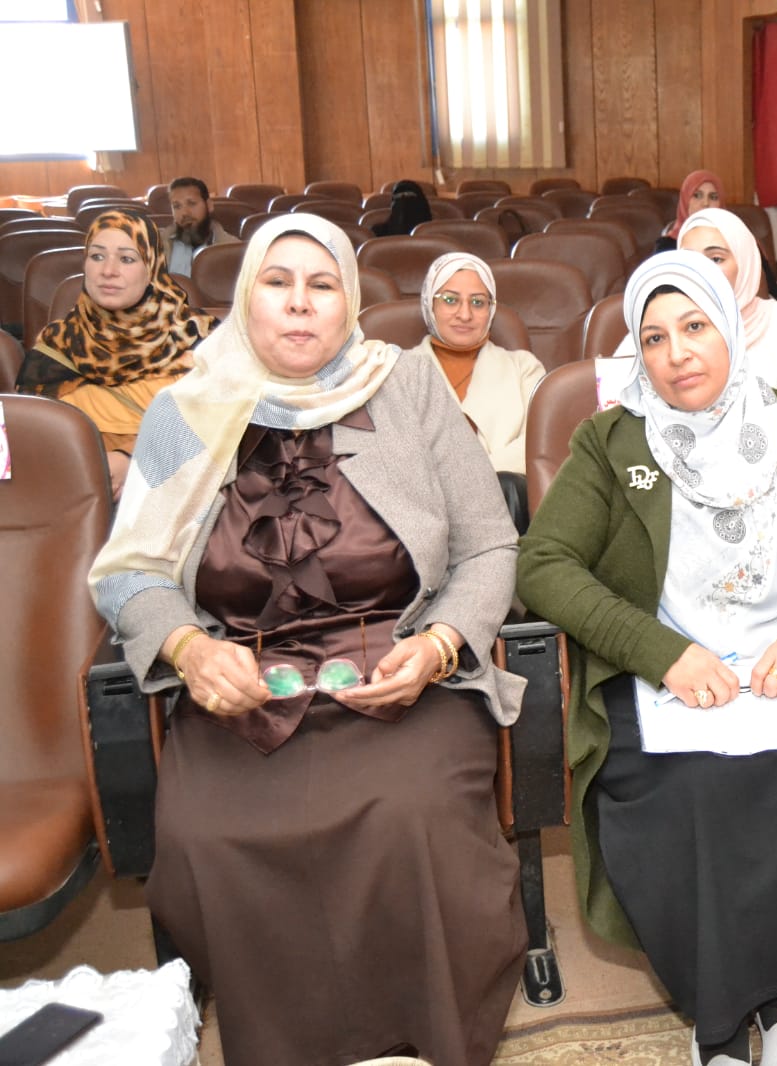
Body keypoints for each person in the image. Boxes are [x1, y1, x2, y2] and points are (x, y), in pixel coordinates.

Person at [87, 213, 527, 1066]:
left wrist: (441, 644)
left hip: (401, 673)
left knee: (416, 821)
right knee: (208, 839)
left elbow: (489, 546)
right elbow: (128, 571)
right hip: (240, 685)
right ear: (244, 298)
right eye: (277, 282)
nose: (299, 303)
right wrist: (187, 649)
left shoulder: (407, 386)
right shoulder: (183, 411)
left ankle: (426, 1042)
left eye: (322, 285)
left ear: (349, 302)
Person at [518, 252, 777, 1066]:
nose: (676, 353)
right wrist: (661, 653)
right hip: (667, 678)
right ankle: (721, 1021)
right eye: (653, 337)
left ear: (729, 329)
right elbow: (544, 564)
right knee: (695, 788)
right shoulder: (611, 440)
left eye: (694, 326)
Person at [15, 208, 216, 498]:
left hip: (177, 497)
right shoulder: (57, 344)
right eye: (97, 256)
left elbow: (228, 428)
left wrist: (132, 459)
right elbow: (27, 439)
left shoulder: (200, 339)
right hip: (71, 497)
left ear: (151, 267)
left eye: (126, 259)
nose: (108, 271)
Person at [613, 207, 777, 399]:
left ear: (744, 263)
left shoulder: (774, 318)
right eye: (690, 259)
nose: (702, 270)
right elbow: (613, 398)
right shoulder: (657, 319)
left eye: (716, 259)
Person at [401, 251, 547, 474]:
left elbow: (540, 443)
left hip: (506, 491)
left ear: (491, 310)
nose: (465, 314)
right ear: (430, 305)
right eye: (450, 300)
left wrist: (473, 476)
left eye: (478, 303)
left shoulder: (524, 368)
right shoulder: (396, 370)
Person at [161, 176, 238, 276]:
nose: (184, 213)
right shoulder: (157, 245)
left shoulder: (233, 249)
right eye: (177, 206)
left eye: (191, 203)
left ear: (209, 205)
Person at [652, 168, 723, 253]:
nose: (706, 203)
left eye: (713, 197)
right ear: (685, 201)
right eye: (697, 195)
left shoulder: (732, 241)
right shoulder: (667, 246)